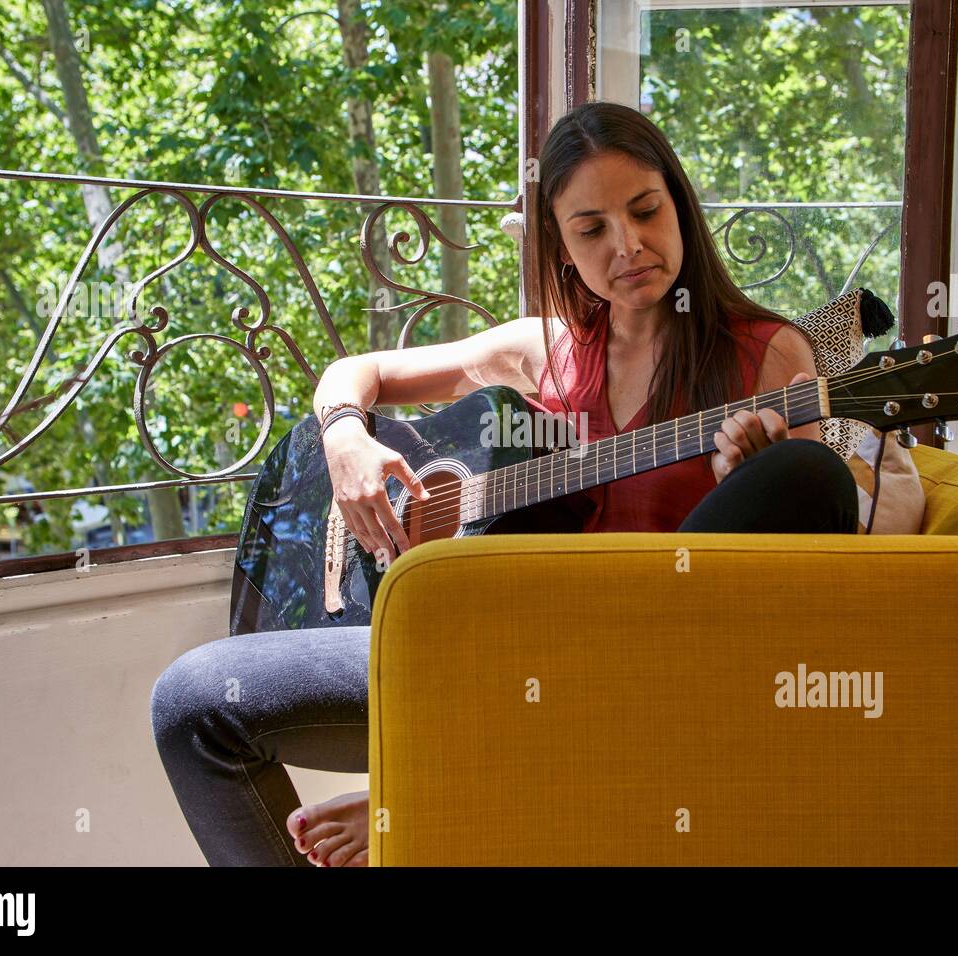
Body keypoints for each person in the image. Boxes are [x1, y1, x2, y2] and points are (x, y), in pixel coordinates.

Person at [150, 101, 859, 867]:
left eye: (646, 211)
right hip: (479, 647)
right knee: (192, 705)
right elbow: (360, 372)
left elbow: (802, 584)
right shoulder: (543, 351)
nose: (629, 245)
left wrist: (744, 479)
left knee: (803, 472)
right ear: (560, 247)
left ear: (679, 206)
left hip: (641, 671)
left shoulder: (769, 356)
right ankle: (450, 775)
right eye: (592, 230)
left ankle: (438, 787)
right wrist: (346, 436)